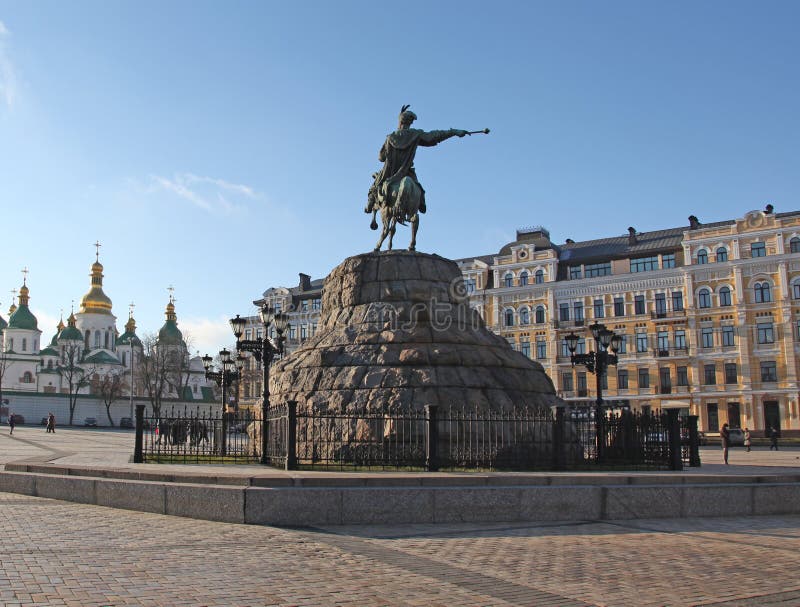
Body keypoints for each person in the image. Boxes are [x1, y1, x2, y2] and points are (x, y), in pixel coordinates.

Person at [366, 105, 468, 216]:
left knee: (375, 186)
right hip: (405, 171)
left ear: (400, 122)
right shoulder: (415, 134)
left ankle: (370, 203)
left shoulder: (390, 138)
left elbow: (381, 158)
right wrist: (453, 132)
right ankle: (421, 202)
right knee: (417, 186)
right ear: (410, 123)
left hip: (389, 172)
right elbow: (434, 136)